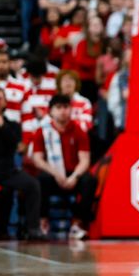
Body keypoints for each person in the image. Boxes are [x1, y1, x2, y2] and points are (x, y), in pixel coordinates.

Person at [0, 89, 44, 240]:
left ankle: (33, 229)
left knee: (32, 184)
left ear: (5, 103)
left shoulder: (12, 125)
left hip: (8, 171)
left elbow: (14, 144)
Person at [31, 94, 95, 240]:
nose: (63, 111)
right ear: (51, 111)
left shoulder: (78, 131)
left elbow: (84, 160)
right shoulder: (42, 131)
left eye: (66, 107)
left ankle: (77, 224)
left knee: (90, 181)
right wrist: (55, 174)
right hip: (52, 174)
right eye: (58, 107)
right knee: (40, 180)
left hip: (73, 174)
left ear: (71, 109)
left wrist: (74, 177)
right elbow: (38, 160)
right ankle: (43, 222)